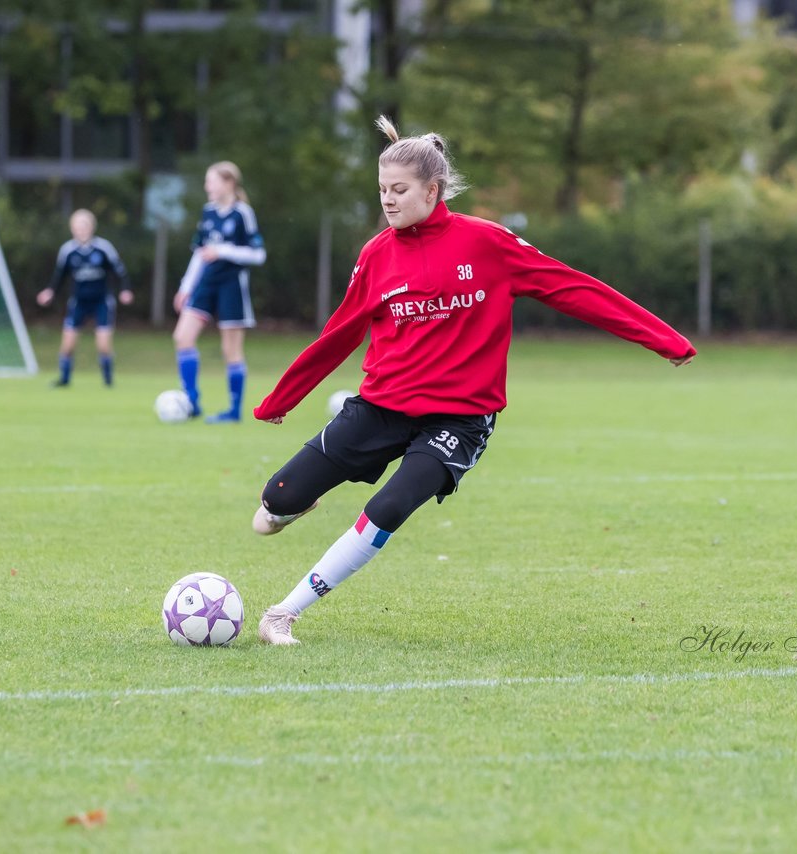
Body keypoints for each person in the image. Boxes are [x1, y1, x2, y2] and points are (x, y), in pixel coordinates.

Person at [250, 116, 696, 645]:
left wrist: (664, 339)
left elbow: (571, 288)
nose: (388, 201)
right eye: (381, 191)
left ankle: (283, 613)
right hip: (381, 407)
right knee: (271, 508)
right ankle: (294, 503)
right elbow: (340, 333)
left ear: (432, 190)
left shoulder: (486, 244)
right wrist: (283, 398)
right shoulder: (377, 255)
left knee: (389, 508)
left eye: (399, 190)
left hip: (458, 420)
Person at [172, 161, 266, 422]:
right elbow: (199, 254)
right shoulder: (208, 212)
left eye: (211, 181)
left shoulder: (242, 213)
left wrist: (223, 251)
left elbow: (258, 254)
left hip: (232, 285)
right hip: (205, 284)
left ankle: (234, 411)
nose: (207, 186)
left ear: (228, 183)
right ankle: (191, 401)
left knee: (231, 350)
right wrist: (185, 287)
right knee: (182, 337)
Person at [36, 209, 133, 387]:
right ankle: (64, 380)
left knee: (103, 345)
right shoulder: (67, 250)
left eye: (85, 225)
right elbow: (59, 275)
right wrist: (50, 291)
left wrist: (125, 290)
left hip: (101, 301)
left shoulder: (103, 248)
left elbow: (120, 271)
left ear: (92, 227)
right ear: (72, 228)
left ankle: (108, 381)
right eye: (77, 226)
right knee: (67, 345)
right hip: (79, 302)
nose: (81, 229)